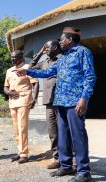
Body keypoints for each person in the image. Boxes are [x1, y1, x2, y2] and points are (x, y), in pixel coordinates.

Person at [14, 27, 96, 182]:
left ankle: (84, 171)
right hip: (60, 102)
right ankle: (65, 166)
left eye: (62, 39)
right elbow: (47, 73)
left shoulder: (83, 52)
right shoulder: (63, 57)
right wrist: (28, 72)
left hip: (75, 102)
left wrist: (84, 98)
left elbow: (90, 76)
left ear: (70, 39)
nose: (60, 41)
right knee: (63, 136)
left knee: (78, 135)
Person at [28, 40, 62, 169]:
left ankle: (69, 160)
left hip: (61, 102)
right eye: (45, 47)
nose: (46, 48)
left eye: (48, 46)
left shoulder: (62, 60)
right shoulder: (44, 63)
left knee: (64, 132)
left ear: (56, 47)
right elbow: (30, 68)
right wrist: (39, 53)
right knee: (53, 133)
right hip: (48, 102)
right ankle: (57, 158)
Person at [4, 50, 39, 164]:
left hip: (24, 100)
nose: (12, 59)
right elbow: (5, 87)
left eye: (14, 57)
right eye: (11, 57)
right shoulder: (9, 71)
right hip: (12, 102)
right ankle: (20, 152)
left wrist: (34, 99)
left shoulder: (27, 67)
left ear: (21, 57)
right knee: (16, 129)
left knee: (22, 127)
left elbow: (35, 83)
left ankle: (24, 154)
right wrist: (8, 92)